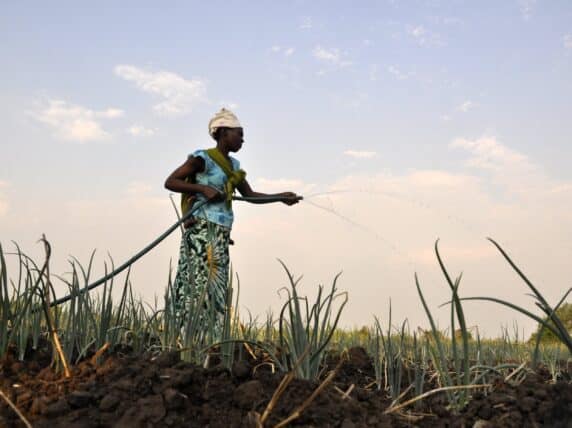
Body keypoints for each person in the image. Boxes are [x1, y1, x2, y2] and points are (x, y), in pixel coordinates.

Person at [164, 108, 300, 335]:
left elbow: (250, 195)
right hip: (200, 232)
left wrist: (280, 198)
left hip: (220, 234)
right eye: (239, 133)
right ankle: (185, 338)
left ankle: (210, 341)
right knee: (197, 285)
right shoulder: (202, 159)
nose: (243, 139)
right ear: (224, 132)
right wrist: (201, 188)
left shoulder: (234, 167)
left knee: (216, 288)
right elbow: (171, 181)